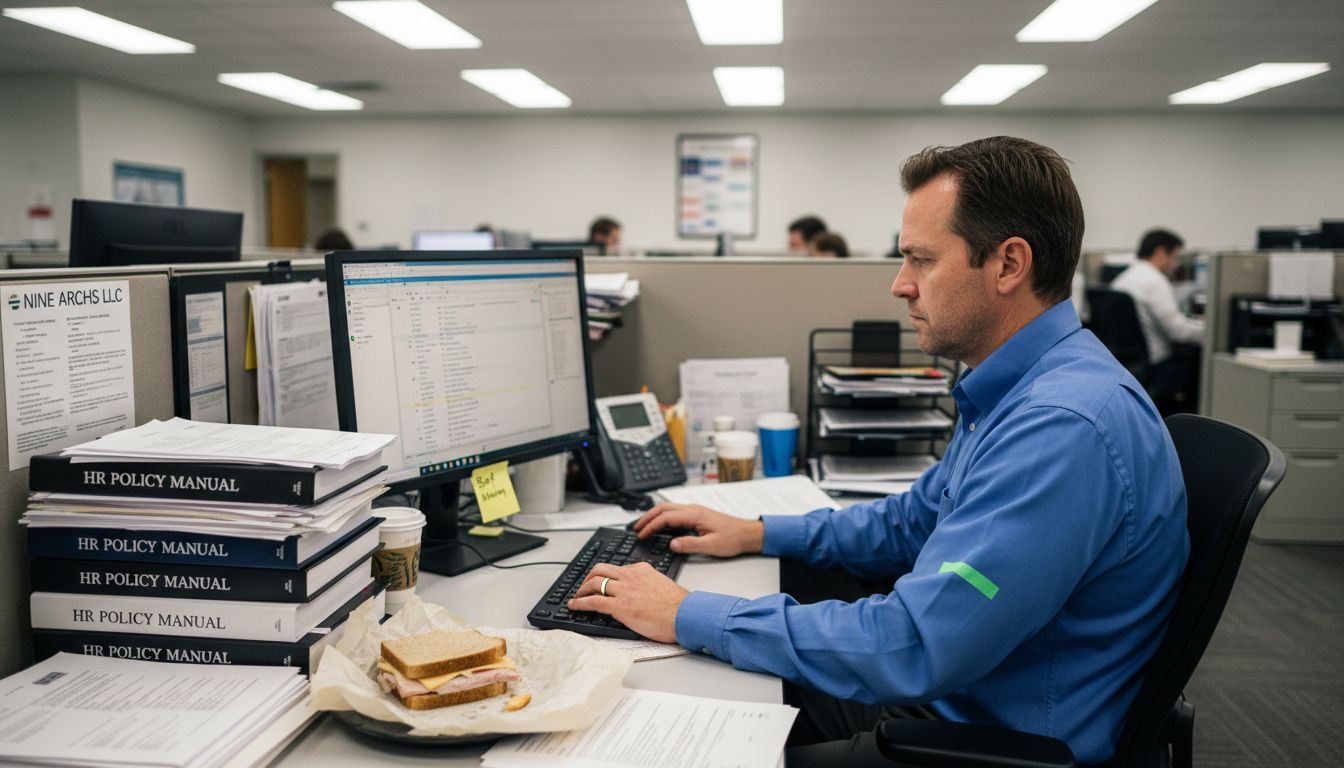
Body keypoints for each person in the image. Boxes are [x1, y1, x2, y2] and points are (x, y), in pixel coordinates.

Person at [568, 136, 1189, 767]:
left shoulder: (1059, 427)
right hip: (959, 694)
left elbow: (912, 645)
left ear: (1008, 264)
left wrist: (687, 612)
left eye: (921, 260)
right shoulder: (1023, 385)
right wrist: (755, 532)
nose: (900, 285)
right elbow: (912, 522)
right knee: (693, 692)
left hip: (986, 743)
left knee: (679, 737)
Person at [1110, 228, 1204, 414]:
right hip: (1156, 367)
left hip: (1127, 365)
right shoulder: (1154, 281)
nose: (1176, 265)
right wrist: (1215, 329)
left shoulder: (1122, 279)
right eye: (1175, 257)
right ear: (1161, 253)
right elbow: (1179, 332)